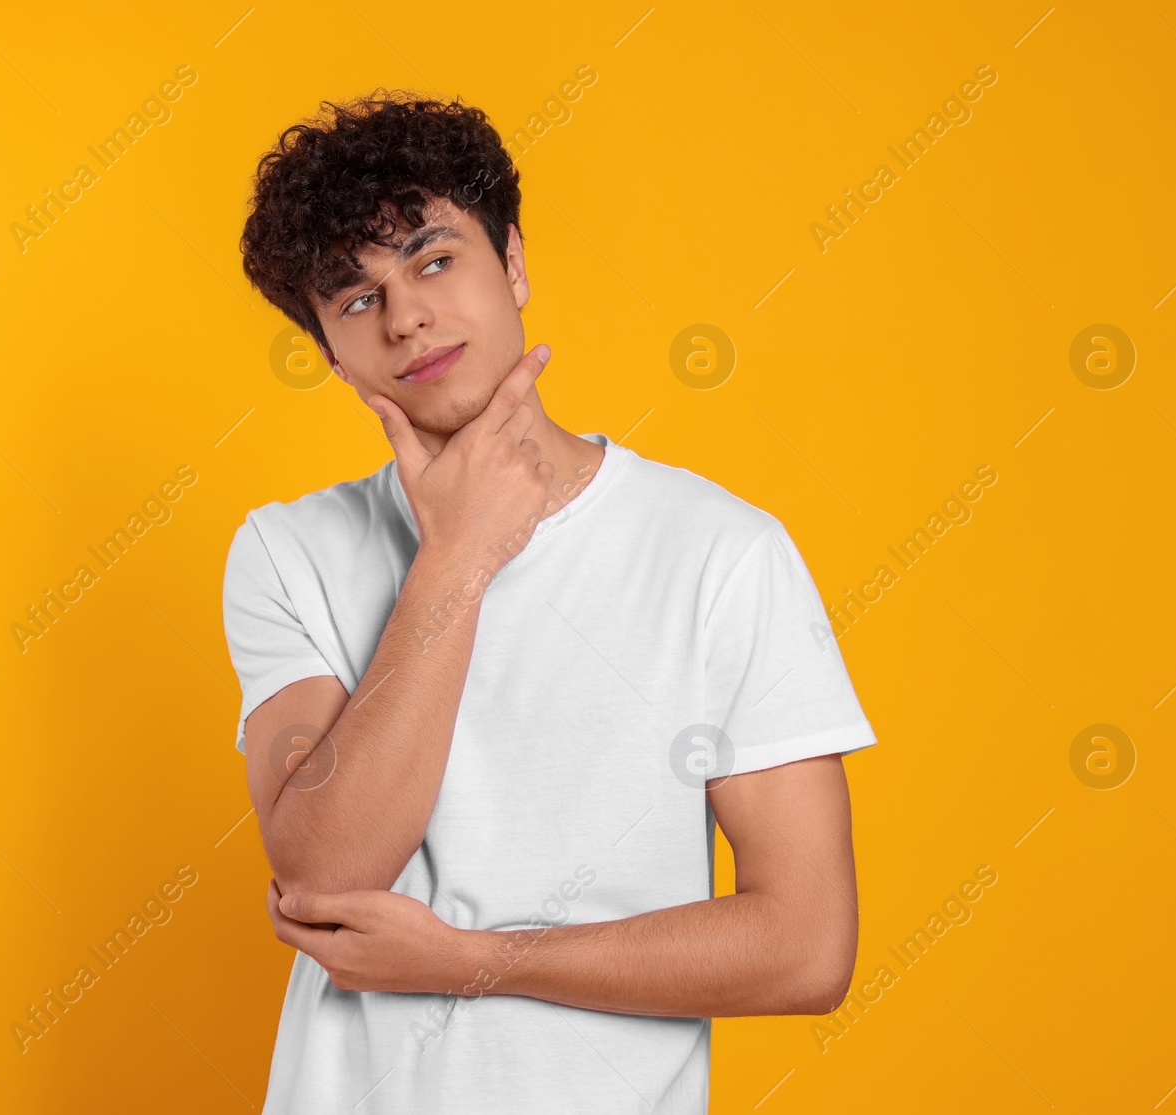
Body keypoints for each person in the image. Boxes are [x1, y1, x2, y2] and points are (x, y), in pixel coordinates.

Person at [224, 90, 878, 1114]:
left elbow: (804, 947)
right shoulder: (288, 550)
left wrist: (471, 958)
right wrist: (456, 557)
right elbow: (325, 868)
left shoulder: (720, 552)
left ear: (513, 261)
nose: (406, 316)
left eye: (434, 259)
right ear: (329, 353)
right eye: (355, 299)